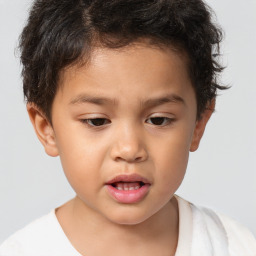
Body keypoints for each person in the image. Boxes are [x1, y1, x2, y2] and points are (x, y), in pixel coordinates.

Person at [0, 0, 255, 255]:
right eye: (97, 121)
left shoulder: (235, 246)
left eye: (158, 120)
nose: (129, 149)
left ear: (198, 123)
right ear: (47, 128)